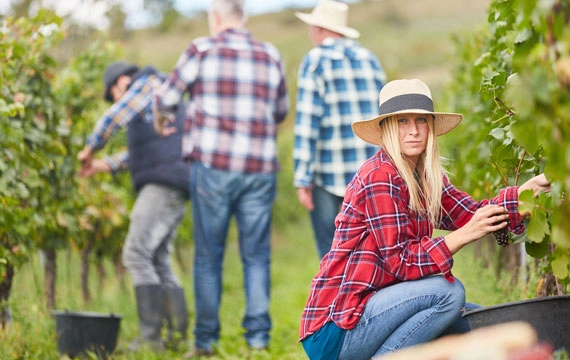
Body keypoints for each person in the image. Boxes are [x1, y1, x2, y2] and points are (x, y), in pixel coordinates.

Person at [298, 79, 551, 360]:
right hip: (337, 327)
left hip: (375, 309)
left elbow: (472, 213)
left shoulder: (425, 177)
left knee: (480, 323)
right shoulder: (379, 177)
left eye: (421, 120)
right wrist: (465, 234)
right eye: (403, 121)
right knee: (447, 293)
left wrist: (526, 194)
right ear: (388, 129)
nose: (414, 131)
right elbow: (401, 261)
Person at [153, 0, 289, 355]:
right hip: (259, 169)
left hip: (213, 166)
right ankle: (258, 340)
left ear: (216, 18)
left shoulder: (202, 49)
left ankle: (206, 341)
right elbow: (279, 111)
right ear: (242, 17)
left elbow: (167, 97)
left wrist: (162, 118)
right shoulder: (270, 54)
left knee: (209, 257)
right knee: (257, 255)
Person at [77, 61, 190, 351]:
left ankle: (151, 340)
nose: (116, 99)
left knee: (136, 253)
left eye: (114, 93)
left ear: (122, 81)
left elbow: (114, 117)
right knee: (158, 259)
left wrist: (90, 149)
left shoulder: (149, 84)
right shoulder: (161, 95)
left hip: (162, 184)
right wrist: (102, 166)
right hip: (176, 181)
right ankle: (175, 339)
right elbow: (141, 153)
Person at [293, 0, 386, 259]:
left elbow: (307, 123)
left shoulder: (315, 60)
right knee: (370, 250)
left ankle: (335, 299)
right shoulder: (370, 59)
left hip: (328, 175)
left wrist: (302, 178)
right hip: (371, 173)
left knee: (331, 254)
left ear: (320, 29)